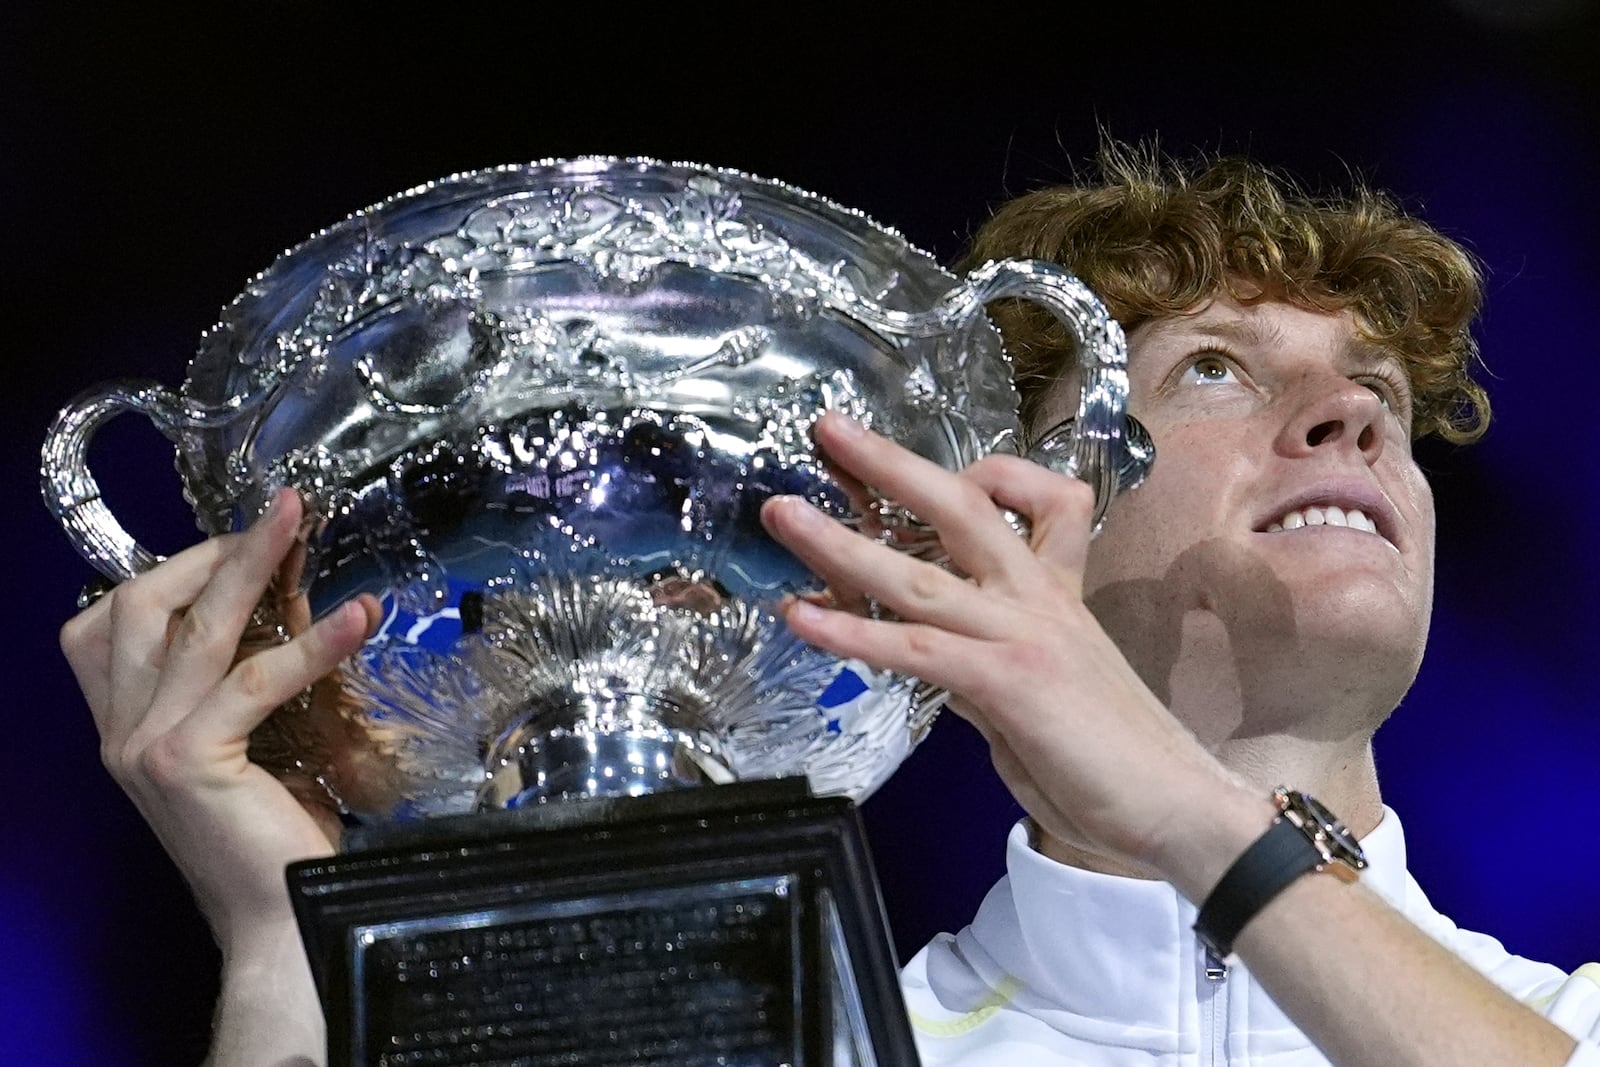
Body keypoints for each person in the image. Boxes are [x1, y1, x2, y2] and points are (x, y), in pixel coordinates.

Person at [59, 143, 1600, 1067]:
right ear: (1001, 503)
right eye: (1217, 370)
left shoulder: (1565, 1011)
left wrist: (1194, 821)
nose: (1350, 421)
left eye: (1377, 394)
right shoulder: (826, 1042)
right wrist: (281, 948)